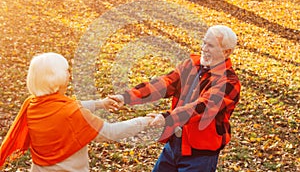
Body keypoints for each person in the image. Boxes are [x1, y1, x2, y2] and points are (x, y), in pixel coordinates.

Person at [110, 25, 241, 171]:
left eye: (210, 45)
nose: (204, 48)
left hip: (200, 155)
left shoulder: (229, 82)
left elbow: (202, 108)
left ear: (226, 52)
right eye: (204, 42)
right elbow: (164, 84)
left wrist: (168, 118)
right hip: (174, 145)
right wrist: (126, 97)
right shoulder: (191, 65)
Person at [0, 52, 153, 171]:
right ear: (57, 77)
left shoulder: (32, 104)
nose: (69, 74)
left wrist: (100, 104)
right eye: (67, 71)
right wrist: (145, 121)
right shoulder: (71, 112)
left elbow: (67, 108)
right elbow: (110, 132)